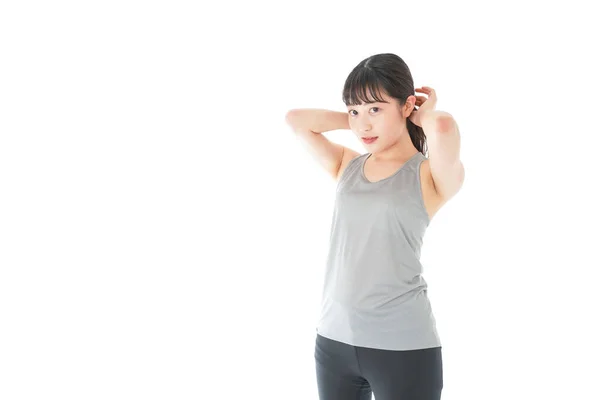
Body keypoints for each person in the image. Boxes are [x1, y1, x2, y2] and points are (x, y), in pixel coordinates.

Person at [285, 53, 465, 400]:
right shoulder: (347, 165)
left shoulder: (429, 175)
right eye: (355, 111)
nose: (363, 125)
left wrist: (421, 114)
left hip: (403, 347)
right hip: (334, 341)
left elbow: (443, 127)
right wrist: (359, 115)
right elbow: (295, 119)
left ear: (407, 106)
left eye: (376, 110)